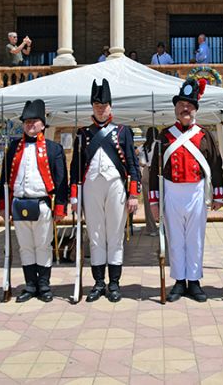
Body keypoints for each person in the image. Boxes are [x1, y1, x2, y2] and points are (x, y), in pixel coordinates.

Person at [149, 79, 223, 302]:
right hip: (171, 192)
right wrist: (154, 202)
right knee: (175, 239)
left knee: (195, 238)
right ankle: (179, 282)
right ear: (175, 108)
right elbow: (155, 169)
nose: (185, 109)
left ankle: (194, 281)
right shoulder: (165, 135)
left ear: (195, 110)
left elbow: (216, 165)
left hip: (197, 191)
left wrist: (219, 194)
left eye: (190, 105)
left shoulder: (205, 135)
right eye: (182, 104)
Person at [70, 79, 140, 303]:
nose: (101, 109)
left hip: (116, 186)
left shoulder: (122, 131)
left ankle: (114, 283)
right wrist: (74, 195)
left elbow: (132, 164)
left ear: (111, 106)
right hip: (90, 187)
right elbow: (76, 167)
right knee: (96, 236)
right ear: (92, 107)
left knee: (115, 236)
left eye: (105, 105)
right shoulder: (82, 133)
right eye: (97, 105)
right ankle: (99, 283)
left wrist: (133, 193)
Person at [0, 99, 68, 303]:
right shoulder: (13, 148)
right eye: (27, 122)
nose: (30, 125)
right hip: (19, 204)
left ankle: (44, 285)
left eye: (34, 121)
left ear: (42, 124)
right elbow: (4, 179)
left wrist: (61, 208)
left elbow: (62, 180)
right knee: (25, 247)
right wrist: (4, 206)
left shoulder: (54, 148)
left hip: (42, 204)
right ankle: (30, 285)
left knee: (43, 246)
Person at [139, 127, 159, 236]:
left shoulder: (144, 146)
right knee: (161, 200)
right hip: (157, 171)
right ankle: (164, 227)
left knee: (148, 202)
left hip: (146, 171)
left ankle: (151, 229)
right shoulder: (158, 144)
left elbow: (136, 155)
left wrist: (142, 164)